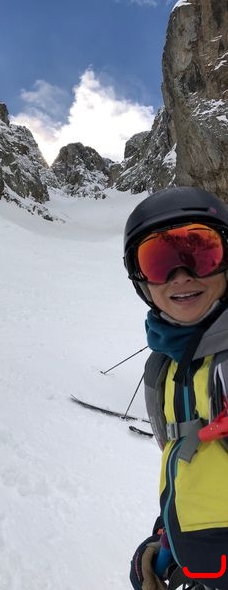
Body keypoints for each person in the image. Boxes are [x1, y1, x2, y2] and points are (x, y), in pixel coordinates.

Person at [123, 186, 228, 590]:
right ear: (141, 280)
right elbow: (190, 466)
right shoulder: (164, 369)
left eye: (202, 255)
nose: (181, 276)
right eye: (159, 261)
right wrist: (166, 540)